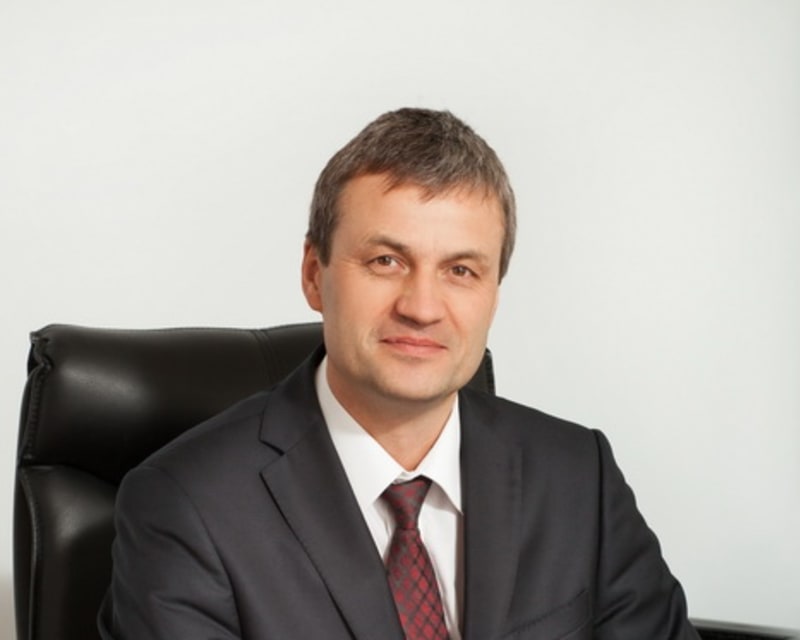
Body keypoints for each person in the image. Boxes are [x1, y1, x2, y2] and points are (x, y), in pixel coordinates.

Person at [98, 108, 700, 639]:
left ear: (494, 293)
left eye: (461, 271)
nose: (422, 307)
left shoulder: (578, 476)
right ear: (314, 274)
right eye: (386, 261)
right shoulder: (187, 505)